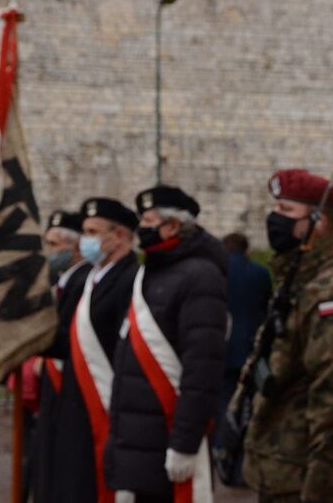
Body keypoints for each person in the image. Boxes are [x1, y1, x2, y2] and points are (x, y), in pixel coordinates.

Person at [240, 169, 333, 502]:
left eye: (286, 210)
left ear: (318, 222)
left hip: (306, 480)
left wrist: (317, 490)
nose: (274, 218)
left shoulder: (331, 291)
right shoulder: (299, 279)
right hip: (283, 469)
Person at [105, 185, 228, 501]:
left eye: (149, 220)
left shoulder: (200, 276)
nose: (142, 227)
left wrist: (184, 443)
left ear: (172, 226)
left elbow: (202, 370)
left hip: (169, 434)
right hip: (138, 437)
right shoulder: (151, 272)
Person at [50, 197, 139, 503]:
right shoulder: (91, 279)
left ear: (119, 235)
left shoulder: (130, 278)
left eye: (93, 232)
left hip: (105, 396)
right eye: (84, 232)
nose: (85, 241)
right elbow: (70, 341)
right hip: (77, 398)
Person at [32, 210, 92, 503]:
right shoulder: (62, 281)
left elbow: (70, 337)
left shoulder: (82, 281)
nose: (49, 251)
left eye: (55, 244)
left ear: (75, 247)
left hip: (73, 386)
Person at [213, 231, 271, 486]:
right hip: (250, 349)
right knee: (247, 407)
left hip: (221, 348)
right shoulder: (260, 273)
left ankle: (222, 451)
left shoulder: (214, 272)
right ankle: (241, 463)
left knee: (223, 404)